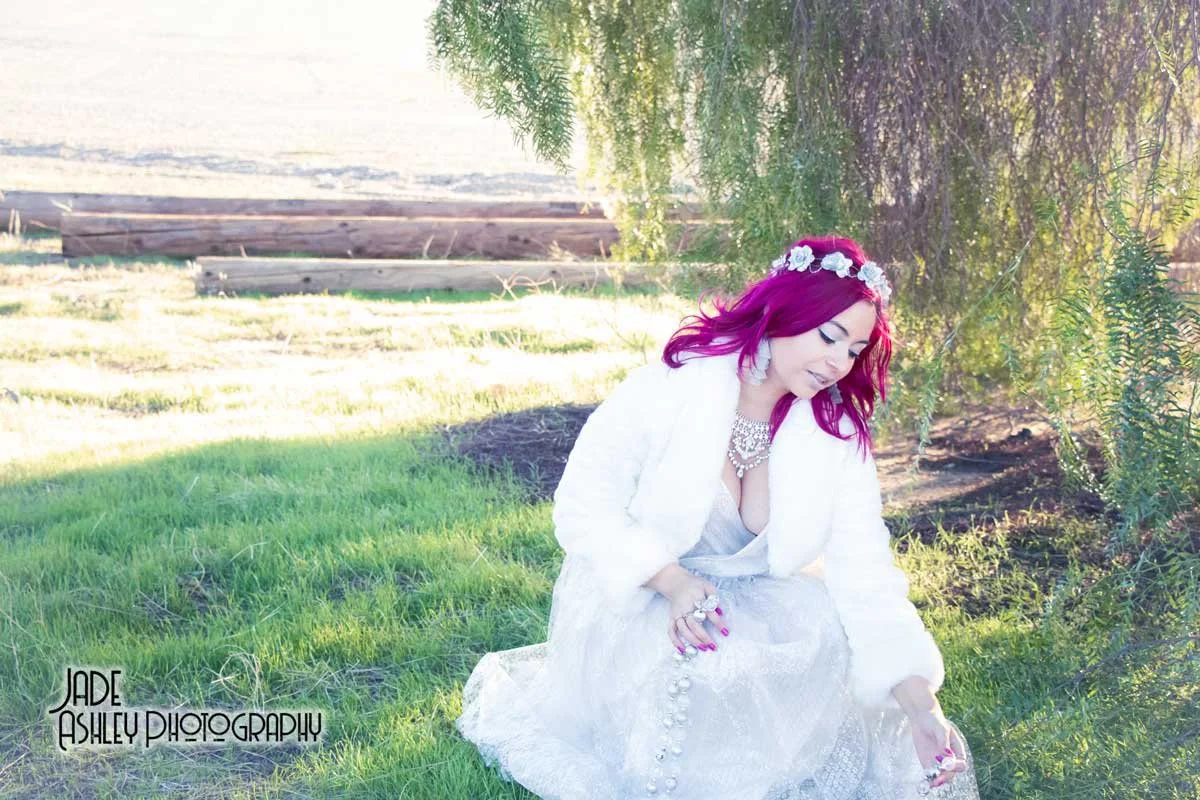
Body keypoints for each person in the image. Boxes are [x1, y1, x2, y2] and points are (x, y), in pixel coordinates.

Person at [456, 236, 982, 799]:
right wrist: (671, 580)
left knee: (824, 636)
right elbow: (583, 503)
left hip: (759, 596)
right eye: (828, 336)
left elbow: (866, 573)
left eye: (854, 349)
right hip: (649, 588)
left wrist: (921, 704)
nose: (838, 362)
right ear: (783, 312)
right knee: (700, 661)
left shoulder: (835, 433)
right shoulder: (674, 385)